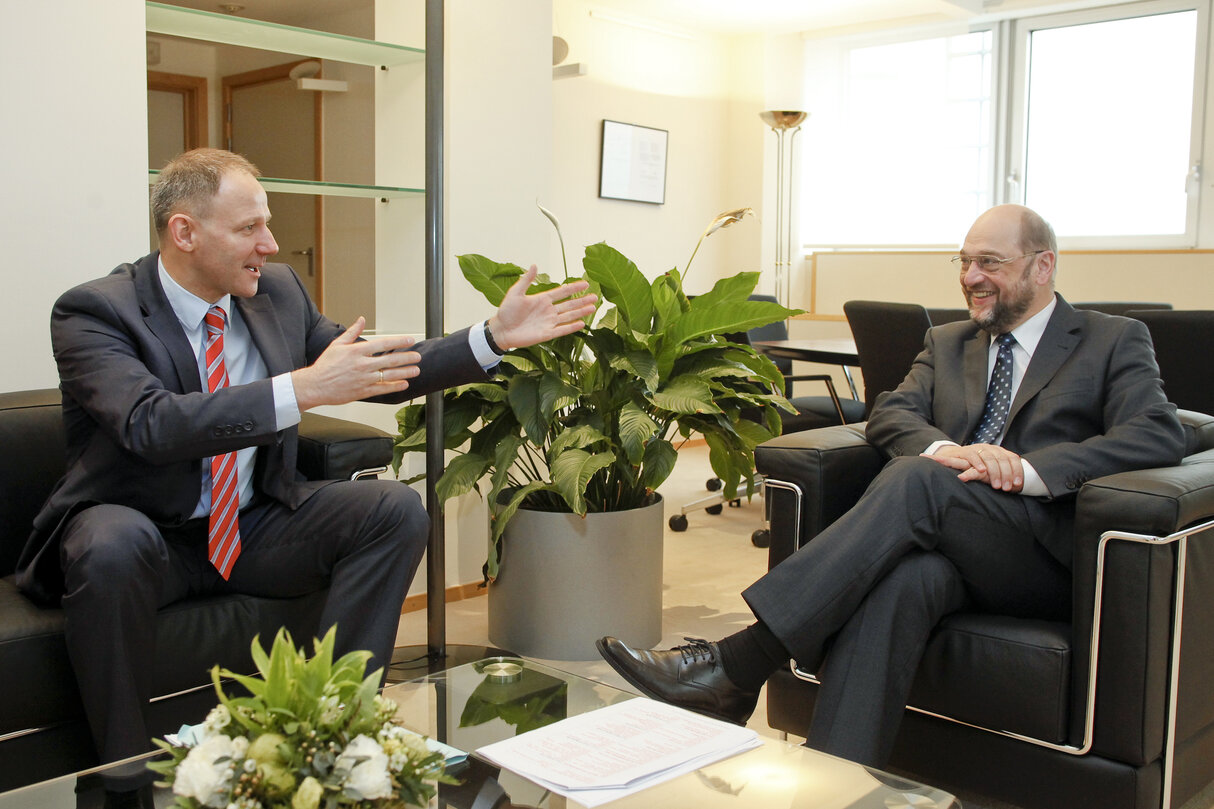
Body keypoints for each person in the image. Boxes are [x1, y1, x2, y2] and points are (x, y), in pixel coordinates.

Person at [15, 148, 597, 803]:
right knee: (111, 541)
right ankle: (120, 776)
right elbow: (151, 424)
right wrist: (301, 387)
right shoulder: (96, 311)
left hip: (252, 525)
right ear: (184, 233)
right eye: (248, 229)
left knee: (394, 509)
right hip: (147, 531)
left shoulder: (279, 292)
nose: (269, 243)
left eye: (267, 224)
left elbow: (370, 368)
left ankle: (334, 732)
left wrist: (489, 338)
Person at [597, 203, 1186, 769]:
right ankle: (835, 782)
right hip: (945, 540)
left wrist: (1031, 470)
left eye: (989, 263)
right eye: (963, 261)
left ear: (1043, 265)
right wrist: (949, 453)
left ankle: (741, 661)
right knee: (907, 577)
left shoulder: (1111, 339)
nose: (971, 277)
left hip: (1037, 555)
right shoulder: (948, 341)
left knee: (916, 479)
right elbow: (892, 413)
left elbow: (1158, 433)